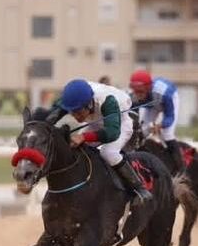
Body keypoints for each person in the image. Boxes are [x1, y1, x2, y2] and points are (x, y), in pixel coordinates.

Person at [48, 78, 152, 206]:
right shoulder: (74, 97)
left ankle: (139, 188)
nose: (75, 116)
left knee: (108, 153)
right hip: (97, 122)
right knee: (75, 148)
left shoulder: (108, 101)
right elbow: (52, 114)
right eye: (72, 112)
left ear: (89, 104)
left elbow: (112, 133)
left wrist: (84, 137)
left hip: (120, 124)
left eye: (78, 112)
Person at [129, 69, 184, 174]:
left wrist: (161, 125)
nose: (138, 95)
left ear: (148, 88)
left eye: (140, 92)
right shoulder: (134, 95)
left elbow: (169, 116)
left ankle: (181, 169)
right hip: (152, 104)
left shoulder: (165, 94)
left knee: (167, 133)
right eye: (135, 91)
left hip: (169, 100)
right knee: (143, 130)